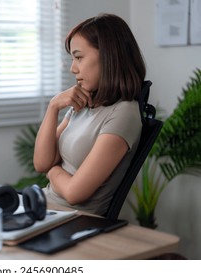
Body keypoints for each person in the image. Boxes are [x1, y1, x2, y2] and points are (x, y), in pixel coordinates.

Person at [33, 13, 146, 216]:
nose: (72, 68)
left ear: (108, 57)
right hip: (47, 208)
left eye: (78, 57)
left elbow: (75, 193)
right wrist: (53, 106)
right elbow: (41, 162)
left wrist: (53, 171)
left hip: (74, 220)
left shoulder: (124, 114)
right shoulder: (84, 103)